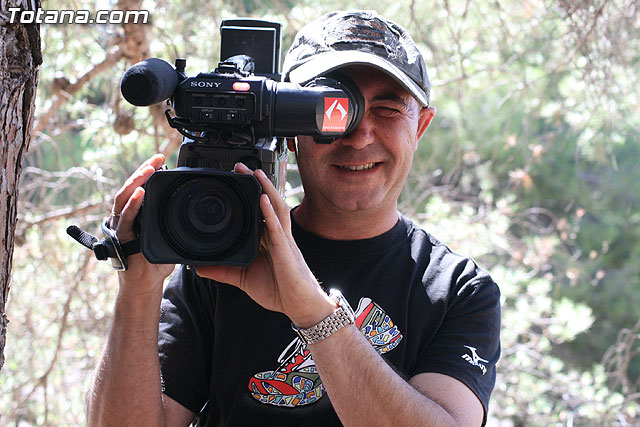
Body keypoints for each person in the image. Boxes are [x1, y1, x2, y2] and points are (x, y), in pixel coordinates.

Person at [87, 10, 501, 427]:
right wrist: (138, 291)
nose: (359, 137)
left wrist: (313, 313)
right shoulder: (221, 255)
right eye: (334, 109)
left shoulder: (457, 290)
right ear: (288, 127)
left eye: (388, 109)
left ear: (421, 126)